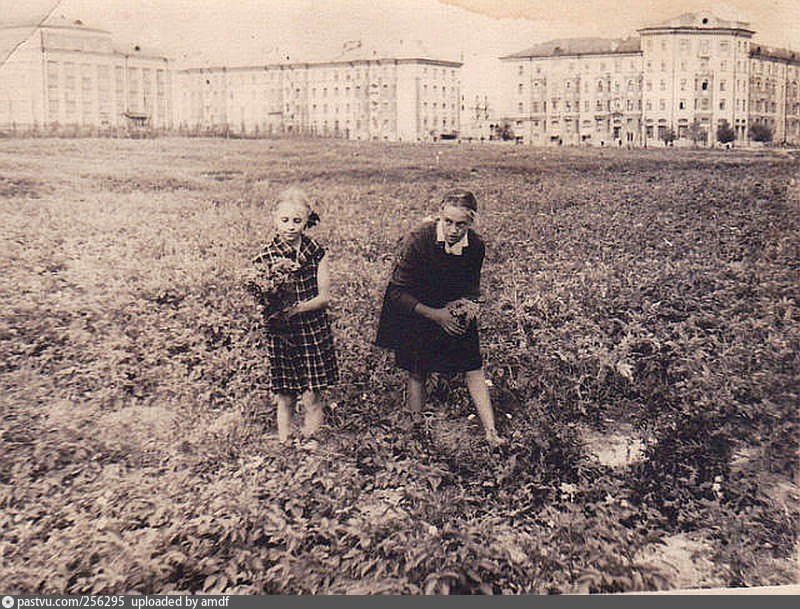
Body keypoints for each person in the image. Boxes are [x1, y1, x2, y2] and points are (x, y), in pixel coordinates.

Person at [375, 189, 506, 447]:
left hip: (450, 303)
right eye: (448, 222)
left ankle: (491, 432)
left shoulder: (475, 246)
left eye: (461, 224)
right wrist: (436, 315)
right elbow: (397, 292)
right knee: (418, 368)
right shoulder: (418, 240)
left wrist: (467, 307)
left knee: (473, 364)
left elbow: (471, 287)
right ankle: (416, 433)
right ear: (439, 217)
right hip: (416, 304)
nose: (454, 229)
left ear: (471, 222)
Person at [254, 187, 338, 445]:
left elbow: (323, 297)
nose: (290, 227)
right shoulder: (265, 257)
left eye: (297, 221)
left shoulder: (315, 252)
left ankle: (311, 441)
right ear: (274, 219)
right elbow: (261, 302)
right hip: (283, 333)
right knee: (285, 394)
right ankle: (285, 441)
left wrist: (296, 309)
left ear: (307, 219)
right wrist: (270, 310)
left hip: (312, 328)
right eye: (285, 220)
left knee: (313, 394)